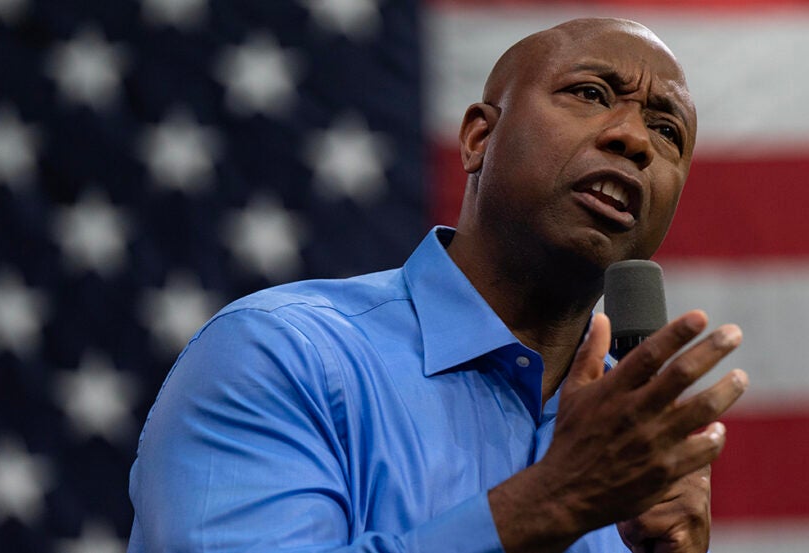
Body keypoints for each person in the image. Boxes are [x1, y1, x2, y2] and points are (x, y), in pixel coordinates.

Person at [127, 17, 748, 553]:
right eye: (589, 93)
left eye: (668, 131)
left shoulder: (639, 442)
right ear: (480, 138)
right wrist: (552, 503)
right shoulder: (282, 355)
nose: (634, 139)